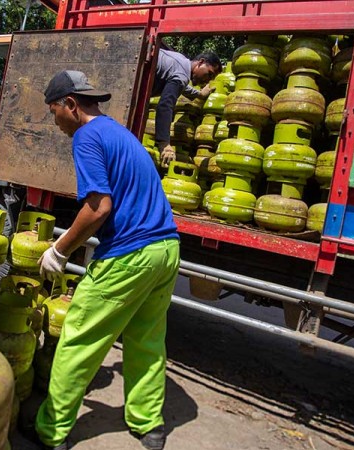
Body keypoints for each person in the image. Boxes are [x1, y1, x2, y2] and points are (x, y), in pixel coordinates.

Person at [33, 70, 181, 450]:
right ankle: (149, 426)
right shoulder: (119, 133)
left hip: (130, 255)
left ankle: (52, 432)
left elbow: (99, 207)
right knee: (146, 340)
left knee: (79, 338)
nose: (56, 123)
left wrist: (59, 249)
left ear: (70, 104)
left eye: (54, 113)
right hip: (166, 250)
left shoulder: (86, 136)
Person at [152, 49, 222, 168]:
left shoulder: (181, 62)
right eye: (209, 74)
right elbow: (165, 105)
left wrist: (199, 94)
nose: (208, 80)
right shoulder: (182, 74)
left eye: (212, 78)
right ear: (201, 62)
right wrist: (164, 143)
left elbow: (181, 86)